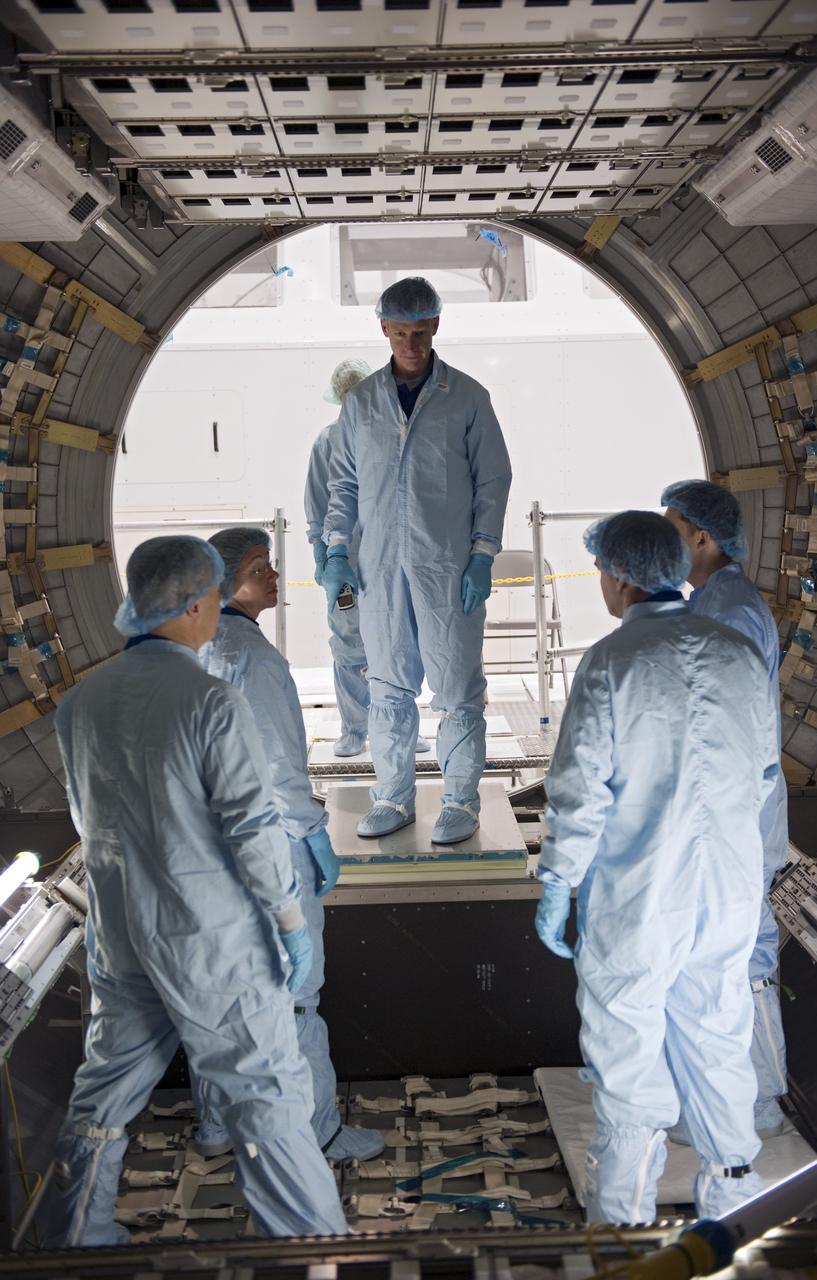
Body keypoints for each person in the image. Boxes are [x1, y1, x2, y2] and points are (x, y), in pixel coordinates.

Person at [45, 536, 347, 1247]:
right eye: (212, 599)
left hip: (119, 932)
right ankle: (312, 1250)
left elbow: (87, 818)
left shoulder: (80, 703)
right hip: (212, 939)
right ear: (192, 605)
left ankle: (75, 1242)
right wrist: (290, 922)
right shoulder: (210, 700)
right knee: (265, 1098)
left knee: (104, 1094)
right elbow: (252, 828)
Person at [535, 511, 778, 1224]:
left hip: (640, 896)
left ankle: (622, 1226)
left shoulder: (612, 663)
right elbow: (763, 772)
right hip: (728, 891)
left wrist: (557, 882)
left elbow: (578, 792)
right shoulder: (734, 651)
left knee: (627, 1046)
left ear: (615, 578)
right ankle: (732, 1203)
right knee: (716, 1031)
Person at [197, 526, 384, 1163]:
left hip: (207, 851)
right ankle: (319, 1133)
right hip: (267, 846)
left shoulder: (191, 648)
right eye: (259, 568)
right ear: (222, 582)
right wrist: (311, 833)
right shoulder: (252, 657)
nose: (274, 576)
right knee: (298, 995)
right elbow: (277, 765)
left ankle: (219, 1128)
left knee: (223, 996)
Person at [322, 277, 512, 844]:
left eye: (421, 332)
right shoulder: (361, 403)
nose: (411, 343)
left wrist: (482, 555)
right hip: (379, 570)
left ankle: (459, 801)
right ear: (383, 330)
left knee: (456, 690)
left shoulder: (468, 397)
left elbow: (493, 481)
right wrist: (335, 550)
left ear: (436, 328)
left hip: (447, 567)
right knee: (387, 686)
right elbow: (345, 485)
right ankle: (393, 797)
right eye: (401, 332)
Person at [662, 479, 789, 1138]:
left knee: (742, 956)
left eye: (672, 531)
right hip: (719, 811)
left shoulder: (730, 612)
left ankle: (761, 1099)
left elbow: (728, 729)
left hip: (733, 815)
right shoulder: (710, 603)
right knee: (713, 952)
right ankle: (716, 1097)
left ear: (702, 538)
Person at [305, 359, 429, 759]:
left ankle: (399, 727)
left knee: (398, 643)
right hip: (346, 563)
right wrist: (324, 556)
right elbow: (317, 506)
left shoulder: (392, 438)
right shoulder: (327, 443)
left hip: (389, 561)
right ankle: (355, 729)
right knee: (348, 645)